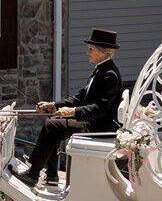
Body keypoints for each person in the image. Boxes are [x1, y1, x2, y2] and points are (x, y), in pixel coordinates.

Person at [10, 27, 125, 189]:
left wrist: (73, 112)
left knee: (52, 126)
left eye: (91, 49)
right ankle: (51, 175)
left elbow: (101, 108)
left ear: (104, 51)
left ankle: (33, 174)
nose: (88, 52)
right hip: (92, 122)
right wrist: (54, 105)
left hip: (97, 128)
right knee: (53, 122)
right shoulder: (101, 69)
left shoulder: (109, 74)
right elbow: (80, 97)